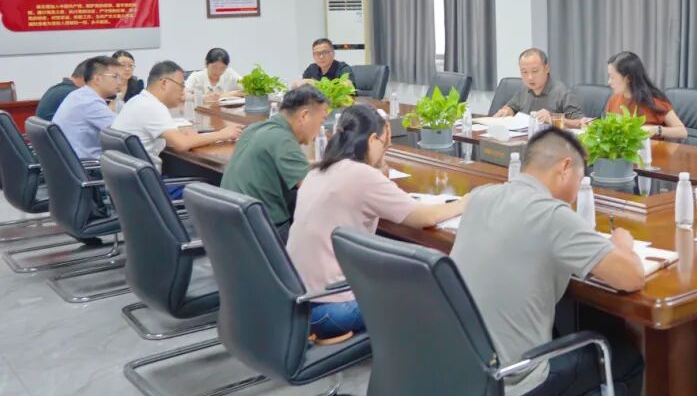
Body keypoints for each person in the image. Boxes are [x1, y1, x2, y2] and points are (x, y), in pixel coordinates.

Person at [451, 128, 645, 396]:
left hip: (463, 378)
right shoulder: (552, 214)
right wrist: (622, 244)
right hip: (513, 388)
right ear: (565, 167)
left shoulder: (481, 197)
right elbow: (631, 277)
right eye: (580, 180)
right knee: (624, 359)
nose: (575, 194)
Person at [287, 104, 466, 342]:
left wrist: (377, 166)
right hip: (330, 310)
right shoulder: (361, 175)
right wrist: (465, 202)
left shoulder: (317, 171)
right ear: (372, 140)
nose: (385, 150)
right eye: (384, 144)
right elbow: (423, 217)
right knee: (428, 291)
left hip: (298, 301)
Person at [112, 60, 243, 198]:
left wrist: (179, 132)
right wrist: (223, 134)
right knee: (218, 186)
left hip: (130, 189)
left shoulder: (137, 101)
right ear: (164, 83)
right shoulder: (152, 107)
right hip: (150, 191)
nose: (183, 91)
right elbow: (182, 144)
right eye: (181, 85)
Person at [221, 85, 328, 243]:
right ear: (304, 116)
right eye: (322, 121)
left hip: (233, 229)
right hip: (263, 230)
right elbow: (314, 191)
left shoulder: (255, 128)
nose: (320, 130)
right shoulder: (283, 139)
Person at [603, 51, 687, 141]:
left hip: (652, 149)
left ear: (628, 78)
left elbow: (682, 132)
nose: (609, 82)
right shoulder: (614, 99)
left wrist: (655, 130)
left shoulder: (654, 101)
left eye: (612, 77)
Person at [51, 55, 123, 160]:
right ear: (97, 78)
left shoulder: (79, 95)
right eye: (115, 76)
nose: (120, 82)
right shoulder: (90, 102)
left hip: (68, 160)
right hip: (87, 165)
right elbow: (122, 131)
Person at [492, 48, 585, 126]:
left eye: (535, 71)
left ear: (547, 68)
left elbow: (581, 123)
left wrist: (553, 119)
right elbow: (512, 107)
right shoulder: (524, 88)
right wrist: (507, 111)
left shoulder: (562, 93)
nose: (530, 77)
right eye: (524, 72)